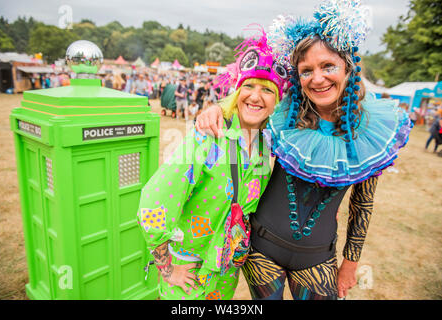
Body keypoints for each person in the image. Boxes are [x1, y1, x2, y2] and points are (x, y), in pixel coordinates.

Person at [195, 0, 412, 300]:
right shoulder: (284, 116)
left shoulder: (370, 134)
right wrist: (215, 109)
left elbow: (363, 204)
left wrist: (350, 263)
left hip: (318, 258)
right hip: (261, 251)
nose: (317, 78)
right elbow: (250, 103)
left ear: (348, 68)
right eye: (306, 70)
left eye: (328, 66)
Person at [136, 28, 290, 300]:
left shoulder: (266, 146)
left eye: (267, 89)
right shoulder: (209, 138)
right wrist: (167, 268)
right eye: (249, 87)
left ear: (276, 100)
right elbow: (154, 201)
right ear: (237, 91)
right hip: (190, 274)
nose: (255, 97)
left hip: (226, 272)